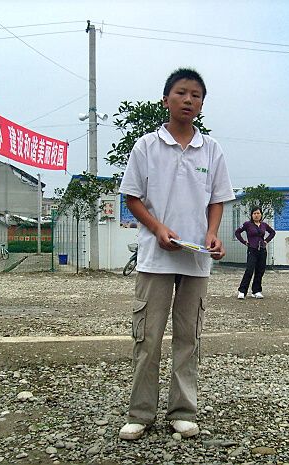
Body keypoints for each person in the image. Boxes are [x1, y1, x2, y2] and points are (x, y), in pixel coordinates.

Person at [117, 68, 235, 441]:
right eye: (181, 93)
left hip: (196, 261)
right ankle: (140, 413)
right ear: (166, 99)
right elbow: (132, 197)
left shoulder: (211, 149)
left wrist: (212, 234)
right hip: (156, 257)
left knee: (189, 337)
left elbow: (217, 200)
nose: (188, 100)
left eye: (196, 95)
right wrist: (157, 228)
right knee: (148, 337)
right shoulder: (146, 146)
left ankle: (183, 411)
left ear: (202, 104)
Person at [235, 206, 276, 299]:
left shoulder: (264, 225)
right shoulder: (247, 224)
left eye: (258, 213)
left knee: (260, 271)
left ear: (261, 215)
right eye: (254, 213)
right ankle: (242, 291)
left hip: (262, 250)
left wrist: (266, 241)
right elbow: (237, 232)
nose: (256, 215)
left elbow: (272, 232)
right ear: (251, 215)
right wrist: (244, 242)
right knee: (249, 270)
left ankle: (256, 291)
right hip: (252, 249)